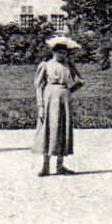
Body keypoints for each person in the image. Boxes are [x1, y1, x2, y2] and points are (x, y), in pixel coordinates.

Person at [33, 36, 84, 176]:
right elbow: (38, 86)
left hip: (64, 99)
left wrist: (68, 91)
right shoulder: (46, 65)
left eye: (64, 52)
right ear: (53, 51)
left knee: (62, 128)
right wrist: (41, 106)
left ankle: (60, 165)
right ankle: (45, 166)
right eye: (59, 51)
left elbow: (80, 81)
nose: (62, 54)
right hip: (49, 98)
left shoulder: (68, 66)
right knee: (49, 129)